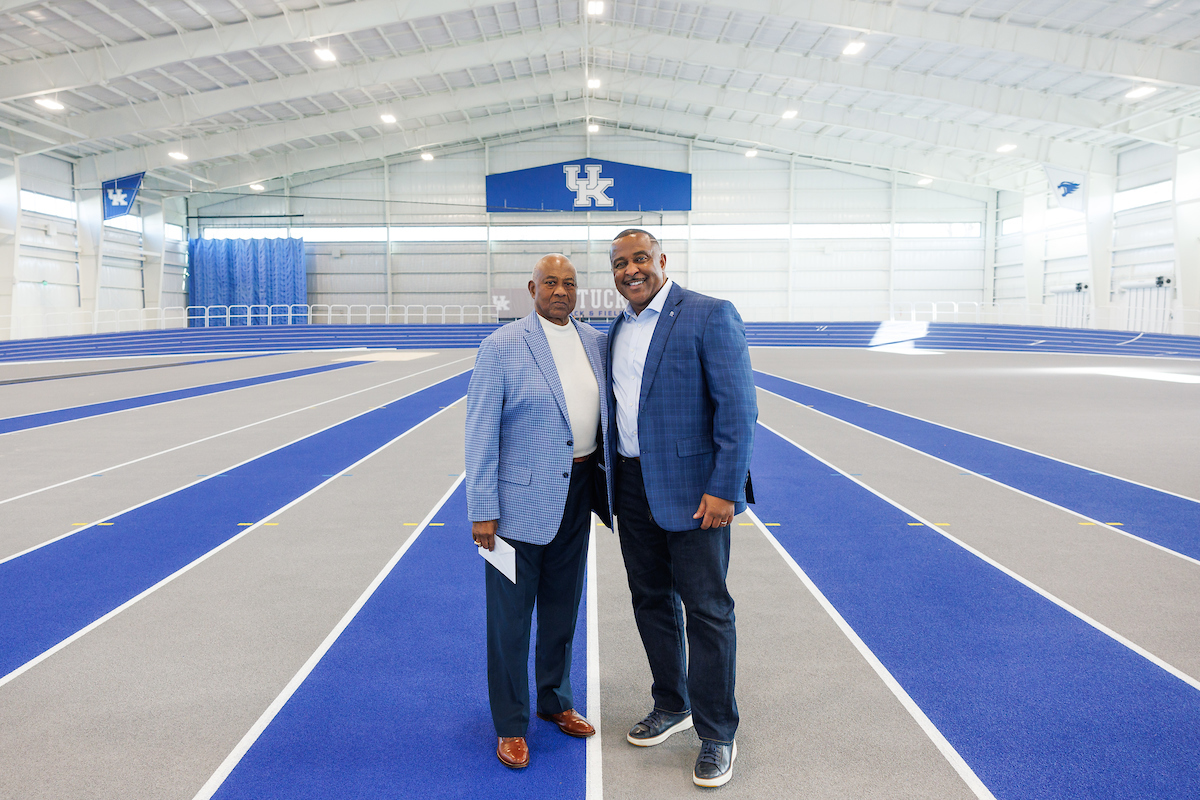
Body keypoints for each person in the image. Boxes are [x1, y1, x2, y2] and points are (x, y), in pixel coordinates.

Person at [607, 228, 756, 788]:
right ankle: (673, 703)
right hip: (631, 485)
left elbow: (738, 409)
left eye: (640, 258)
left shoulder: (709, 314)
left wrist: (726, 488)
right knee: (650, 600)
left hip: (697, 493)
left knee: (708, 609)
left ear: (662, 260)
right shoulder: (618, 327)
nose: (630, 270)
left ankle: (717, 733)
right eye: (619, 263)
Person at [465, 253, 613, 770]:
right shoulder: (500, 346)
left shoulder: (596, 343)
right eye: (550, 282)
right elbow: (480, 433)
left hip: (578, 493)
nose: (560, 291)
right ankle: (511, 724)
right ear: (532, 289)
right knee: (509, 621)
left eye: (569, 283)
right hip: (514, 508)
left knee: (561, 610)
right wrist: (483, 509)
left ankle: (555, 700)